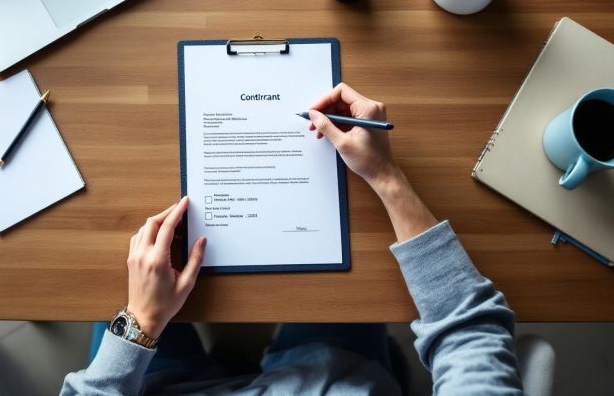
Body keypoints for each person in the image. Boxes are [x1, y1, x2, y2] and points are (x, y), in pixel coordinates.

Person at [60, 84, 523, 395]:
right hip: (331, 375)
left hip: (162, 386)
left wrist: (140, 320)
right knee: (354, 289)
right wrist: (385, 175)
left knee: (120, 281)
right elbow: (469, 335)